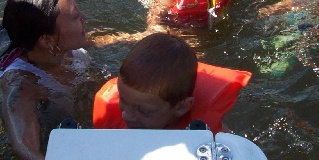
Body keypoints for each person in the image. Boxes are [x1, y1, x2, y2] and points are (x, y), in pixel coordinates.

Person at [0, 0, 90, 160]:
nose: (84, 18)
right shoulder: (23, 85)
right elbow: (24, 155)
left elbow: (105, 39)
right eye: (75, 16)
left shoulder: (67, 44)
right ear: (47, 40)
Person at [92, 33, 251, 132]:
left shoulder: (208, 135)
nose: (126, 114)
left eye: (144, 111)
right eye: (123, 100)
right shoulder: (110, 111)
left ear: (182, 107)